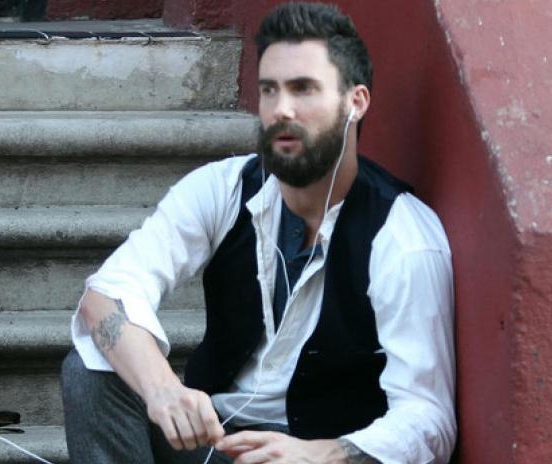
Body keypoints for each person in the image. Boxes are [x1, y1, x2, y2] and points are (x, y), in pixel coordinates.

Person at [61, 3, 456, 463]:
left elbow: (428, 417)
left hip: (318, 453)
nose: (282, 109)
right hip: (213, 440)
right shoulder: (223, 188)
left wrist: (321, 455)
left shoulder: (403, 238)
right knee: (91, 370)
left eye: (303, 89)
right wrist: (163, 388)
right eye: (270, 90)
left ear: (356, 102)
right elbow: (107, 294)